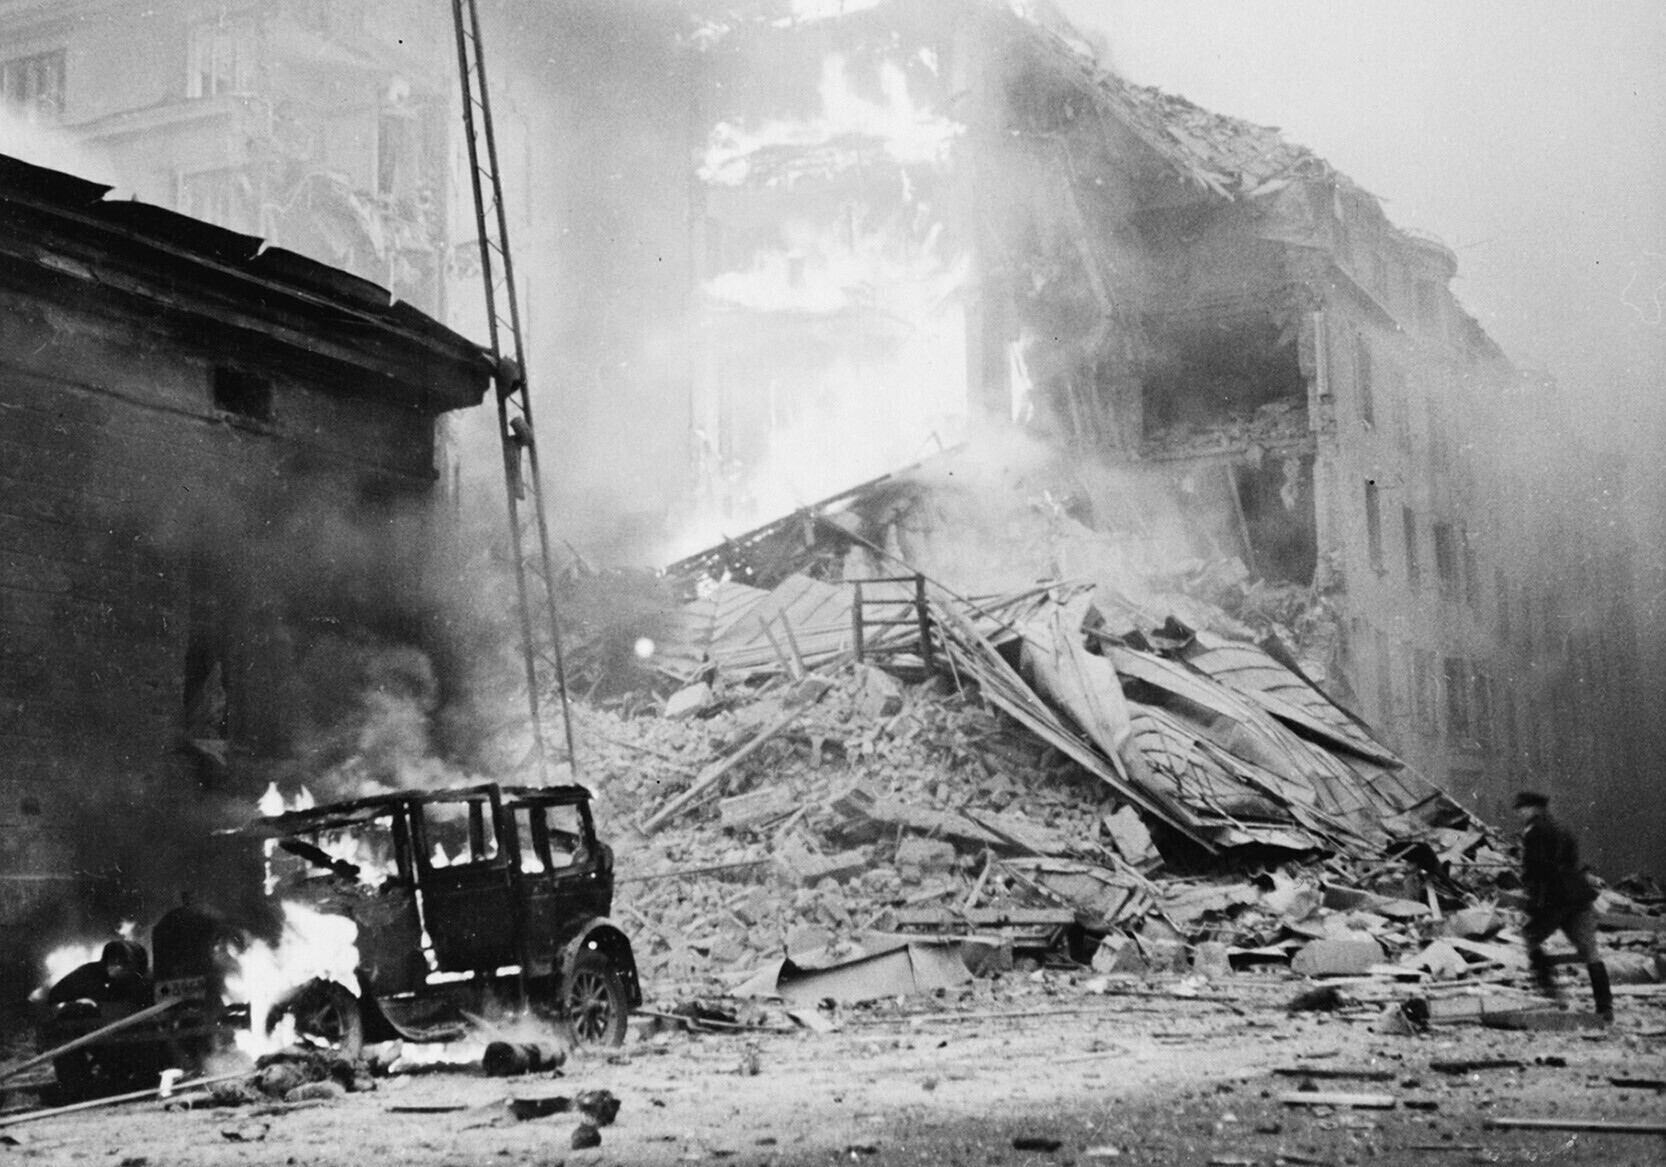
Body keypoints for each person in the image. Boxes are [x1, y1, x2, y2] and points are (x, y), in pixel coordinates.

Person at [1513, 791, 1611, 1023]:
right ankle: (1605, 1008)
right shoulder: (1562, 827)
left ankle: (1552, 994)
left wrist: (1532, 895)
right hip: (1578, 894)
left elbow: (1536, 867)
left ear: (1533, 808)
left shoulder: (1534, 831)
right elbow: (1573, 860)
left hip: (1553, 897)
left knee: (1530, 938)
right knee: (1590, 952)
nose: (1520, 813)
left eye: (1522, 808)